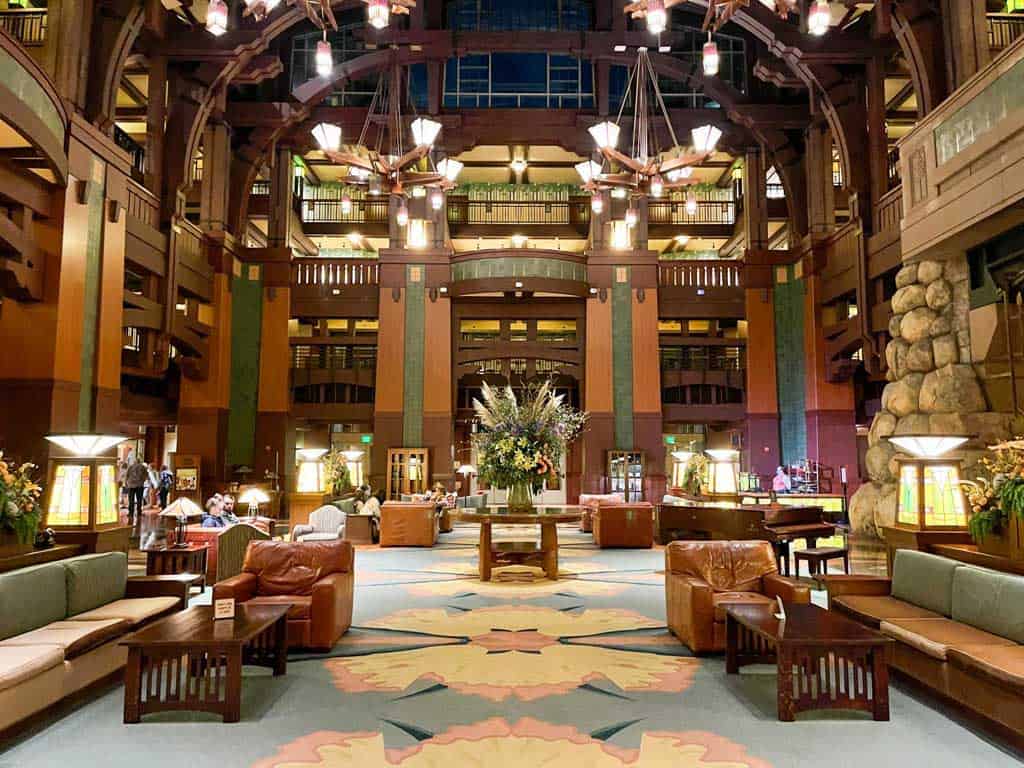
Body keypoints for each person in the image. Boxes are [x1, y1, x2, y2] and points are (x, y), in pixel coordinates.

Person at [125, 459, 148, 526]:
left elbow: (127, 475)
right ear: (139, 462)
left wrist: (126, 483)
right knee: (139, 499)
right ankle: (139, 512)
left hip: (131, 485)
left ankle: (131, 513)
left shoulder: (130, 467)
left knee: (131, 499)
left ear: (134, 462)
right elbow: (146, 475)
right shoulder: (142, 467)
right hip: (139, 485)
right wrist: (142, 480)